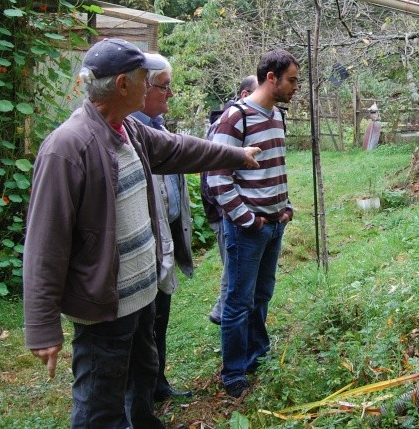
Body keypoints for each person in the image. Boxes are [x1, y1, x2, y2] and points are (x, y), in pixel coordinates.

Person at [22, 38, 261, 428]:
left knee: (143, 378)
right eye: (144, 79)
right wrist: (42, 326)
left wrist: (236, 155)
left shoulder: (128, 129)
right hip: (105, 307)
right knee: (100, 404)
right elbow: (45, 244)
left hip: (142, 296)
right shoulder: (67, 148)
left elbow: (180, 149)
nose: (151, 87)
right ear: (122, 85)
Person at [204, 49, 299, 398]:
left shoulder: (276, 117)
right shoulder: (235, 118)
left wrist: (285, 207)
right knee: (238, 301)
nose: (295, 87)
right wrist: (249, 221)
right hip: (248, 230)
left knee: (262, 294)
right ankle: (233, 372)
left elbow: (277, 165)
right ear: (270, 78)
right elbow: (217, 179)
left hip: (275, 224)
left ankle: (257, 355)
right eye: (291, 80)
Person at [130, 54, 193, 402]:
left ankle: (157, 383)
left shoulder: (158, 127)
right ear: (142, 87)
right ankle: (139, 397)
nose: (170, 94)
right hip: (142, 245)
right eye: (164, 86)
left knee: (160, 317)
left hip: (165, 239)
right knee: (141, 324)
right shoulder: (127, 132)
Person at [204, 74, 259, 326]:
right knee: (235, 273)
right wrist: (232, 212)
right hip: (226, 212)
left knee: (234, 272)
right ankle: (227, 318)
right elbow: (211, 178)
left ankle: (225, 314)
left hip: (235, 211)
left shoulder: (247, 121)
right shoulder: (225, 125)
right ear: (245, 95)